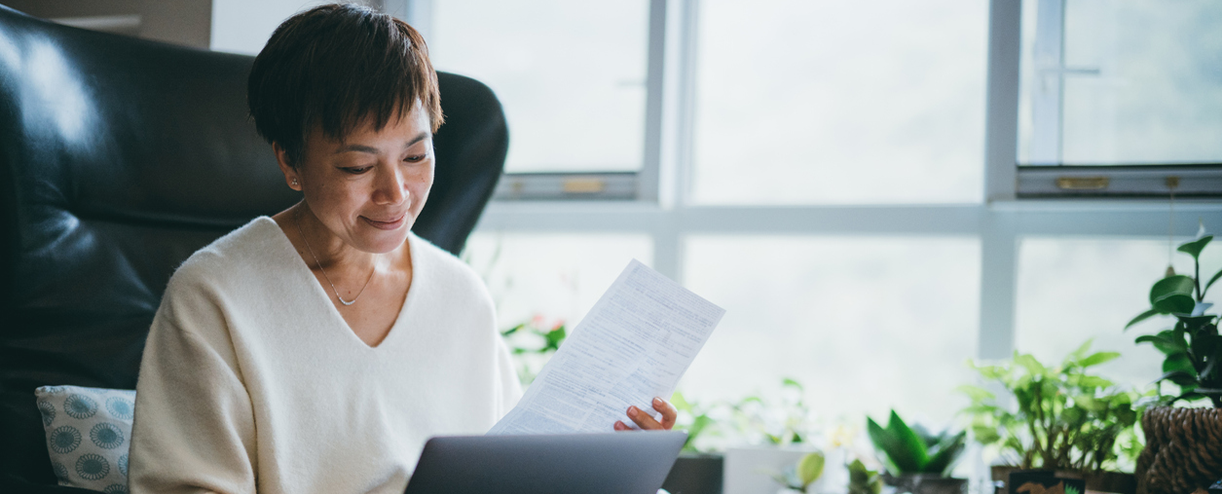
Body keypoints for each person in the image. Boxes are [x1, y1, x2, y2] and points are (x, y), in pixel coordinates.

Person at [128, 4, 676, 493]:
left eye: (416, 156)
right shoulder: (214, 297)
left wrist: (611, 462)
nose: (395, 194)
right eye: (358, 166)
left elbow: (515, 472)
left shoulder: (460, 296)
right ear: (290, 162)